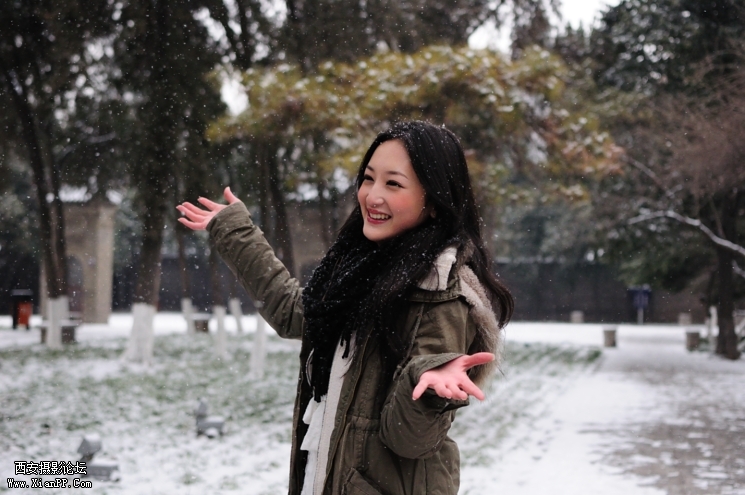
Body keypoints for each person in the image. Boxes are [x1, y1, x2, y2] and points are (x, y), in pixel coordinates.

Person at [177, 121, 514, 495]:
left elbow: (409, 441)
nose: (372, 195)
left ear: (433, 202)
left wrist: (429, 389)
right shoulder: (360, 271)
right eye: (368, 178)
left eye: (393, 184)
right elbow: (295, 314)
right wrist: (237, 232)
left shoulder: (439, 293)